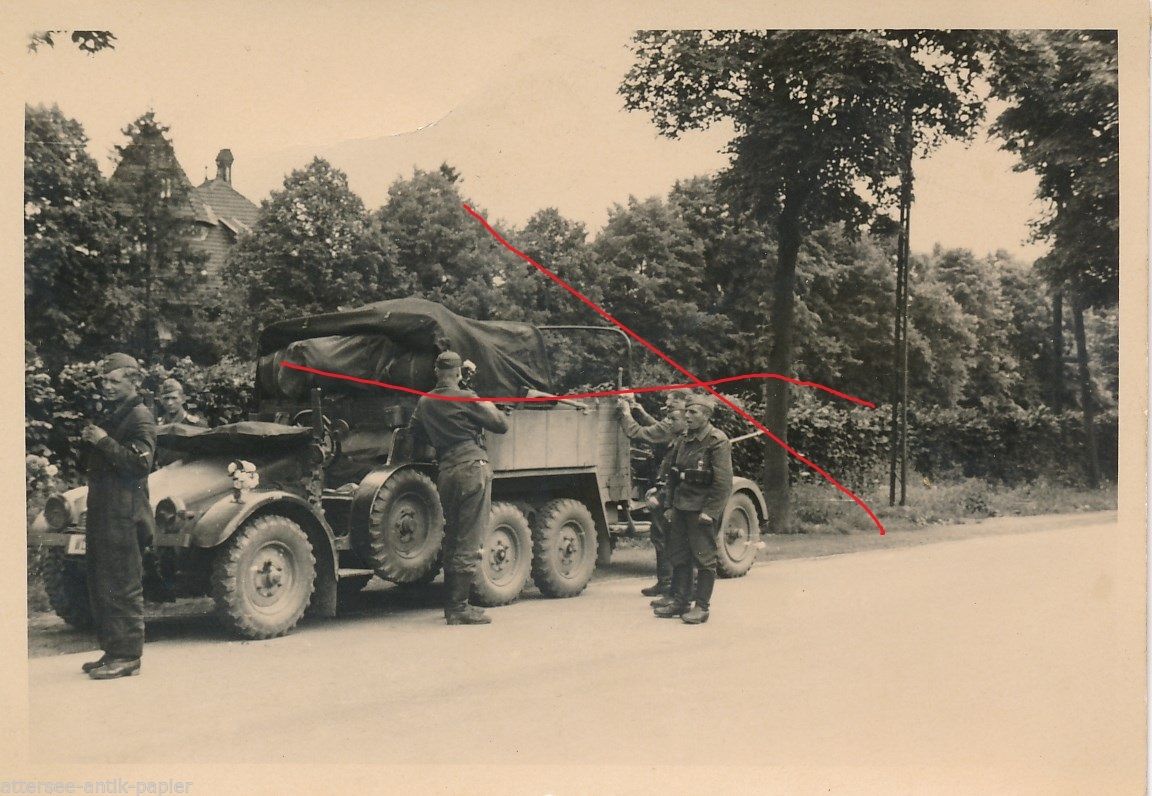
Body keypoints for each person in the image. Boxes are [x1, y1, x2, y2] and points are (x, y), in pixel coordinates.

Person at [408, 351, 509, 625]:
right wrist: (479, 398)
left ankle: (452, 605)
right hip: (472, 467)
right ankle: (458, 608)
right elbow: (501, 425)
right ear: (458, 374)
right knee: (470, 536)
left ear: (436, 372)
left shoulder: (425, 401)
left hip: (446, 470)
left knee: (452, 535)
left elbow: (415, 432)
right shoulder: (466, 397)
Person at [79, 353, 157, 678]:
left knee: (123, 583)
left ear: (134, 382)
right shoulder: (115, 414)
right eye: (104, 381)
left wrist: (103, 441)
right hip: (105, 511)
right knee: (103, 581)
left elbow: (140, 465)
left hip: (125, 514)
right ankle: (113, 650)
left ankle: (127, 656)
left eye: (114, 381)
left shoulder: (140, 417)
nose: (106, 387)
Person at [652, 393, 733, 625]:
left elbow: (723, 482)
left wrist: (711, 511)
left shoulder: (717, 440)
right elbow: (672, 475)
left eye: (693, 412)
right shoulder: (684, 439)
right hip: (680, 507)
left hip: (700, 510)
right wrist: (668, 506)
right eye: (686, 411)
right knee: (678, 555)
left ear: (706, 416)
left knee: (704, 558)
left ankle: (701, 607)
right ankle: (680, 601)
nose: (687, 416)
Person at [616, 392, 687, 598]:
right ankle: (668, 584)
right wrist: (638, 410)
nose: (666, 410)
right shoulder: (679, 424)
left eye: (670, 406)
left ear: (679, 409)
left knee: (662, 534)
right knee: (664, 535)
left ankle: (668, 584)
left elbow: (638, 432)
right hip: (669, 486)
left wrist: (625, 412)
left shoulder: (675, 425)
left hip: (670, 489)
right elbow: (658, 427)